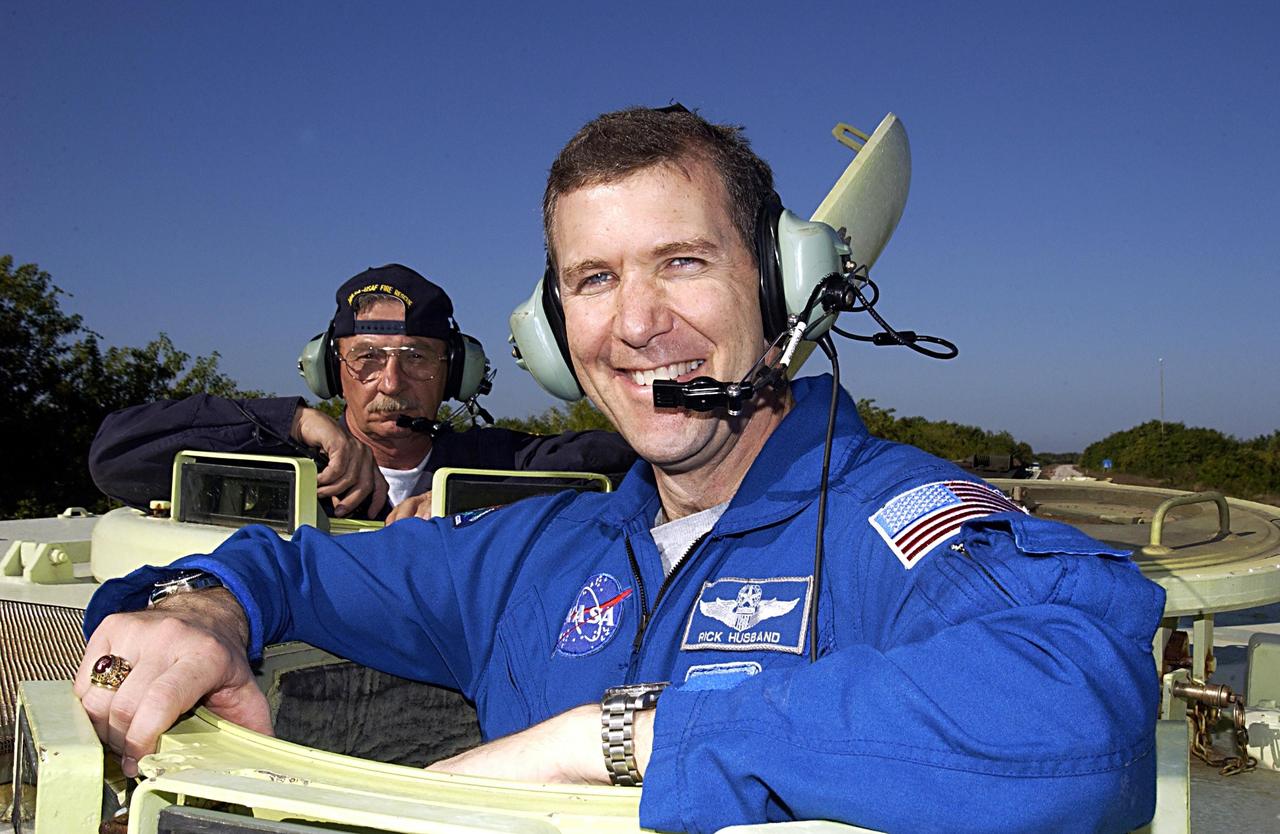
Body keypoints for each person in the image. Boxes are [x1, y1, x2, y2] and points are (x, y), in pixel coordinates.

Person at [76, 107, 1165, 833]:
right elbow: (296, 571)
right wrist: (203, 607)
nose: (637, 324)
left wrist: (604, 746)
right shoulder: (537, 550)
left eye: (681, 263)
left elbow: (1078, 714)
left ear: (779, 290)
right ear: (553, 334)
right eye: (592, 280)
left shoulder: (898, 523)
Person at [88, 264, 636, 522]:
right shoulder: (288, 460)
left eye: (418, 358)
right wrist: (297, 424)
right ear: (331, 369)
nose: (391, 384)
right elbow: (116, 457)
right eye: (367, 359)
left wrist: (476, 508)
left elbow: (634, 462)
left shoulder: (496, 463)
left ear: (455, 374)